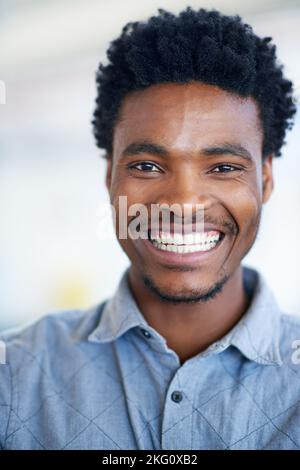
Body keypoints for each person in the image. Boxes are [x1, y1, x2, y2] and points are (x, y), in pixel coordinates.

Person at [0, 7, 299, 450]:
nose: (182, 202)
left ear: (266, 180)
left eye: (222, 166)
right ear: (109, 178)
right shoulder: (14, 376)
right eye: (146, 165)